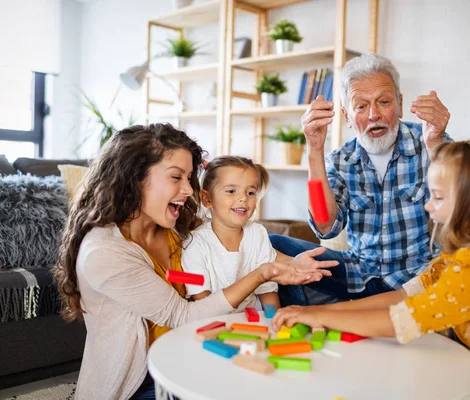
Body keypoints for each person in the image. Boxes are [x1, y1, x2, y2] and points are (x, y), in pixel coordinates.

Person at [273, 139, 470, 399]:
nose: (428, 206)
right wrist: (332, 313)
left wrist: (316, 315)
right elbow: (402, 296)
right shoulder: (463, 255)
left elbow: (401, 321)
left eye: (439, 197)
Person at [52, 124, 336, 400]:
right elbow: (181, 317)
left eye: (189, 178)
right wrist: (263, 274)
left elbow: (245, 245)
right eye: (176, 177)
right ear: (134, 178)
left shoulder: (173, 227)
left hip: (194, 349)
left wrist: (291, 262)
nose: (188, 189)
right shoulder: (105, 252)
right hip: (143, 379)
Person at [270, 53, 451, 306]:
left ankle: (343, 313)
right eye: (361, 106)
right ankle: (298, 323)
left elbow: (461, 209)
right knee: (273, 244)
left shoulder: (430, 140)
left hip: (416, 277)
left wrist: (436, 146)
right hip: (358, 275)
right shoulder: (340, 160)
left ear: (399, 104)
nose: (374, 114)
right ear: (346, 116)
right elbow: (325, 226)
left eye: (384, 101)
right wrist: (314, 150)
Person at [182, 156, 332, 311]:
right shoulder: (195, 243)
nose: (243, 198)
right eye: (231, 191)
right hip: (210, 325)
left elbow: (267, 291)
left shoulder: (257, 233)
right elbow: (203, 306)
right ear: (207, 199)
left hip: (250, 325)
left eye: (251, 192)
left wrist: (274, 321)